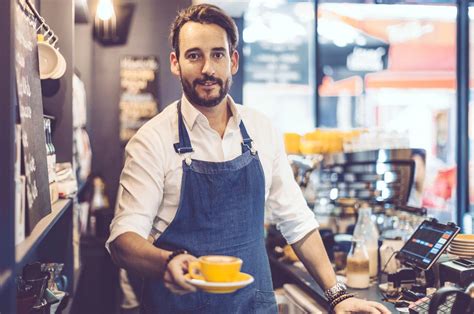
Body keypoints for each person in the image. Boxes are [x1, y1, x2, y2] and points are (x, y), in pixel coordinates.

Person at [106, 4, 390, 314]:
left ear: (233, 61)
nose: (207, 69)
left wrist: (338, 295)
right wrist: (168, 261)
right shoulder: (152, 140)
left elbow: (296, 220)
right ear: (175, 63)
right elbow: (123, 239)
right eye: (193, 55)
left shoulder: (261, 130)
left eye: (218, 54)